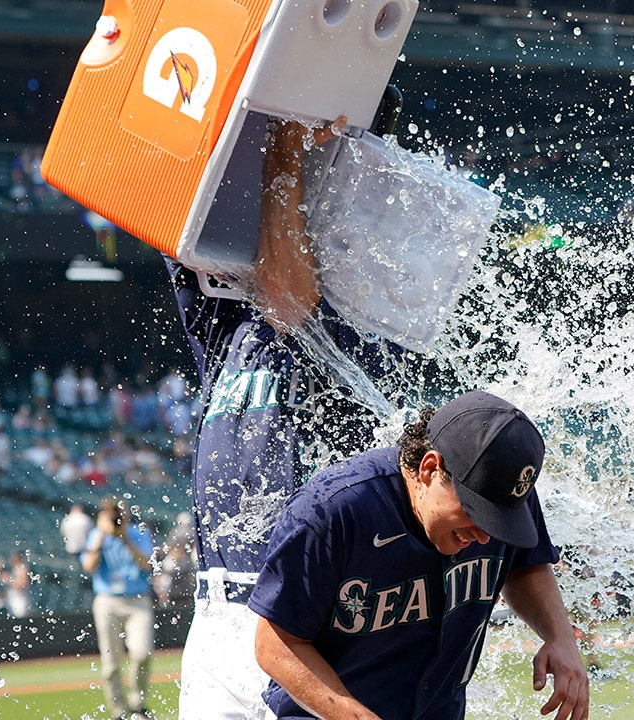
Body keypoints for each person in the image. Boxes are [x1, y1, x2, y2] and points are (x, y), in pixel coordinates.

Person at [169, 117, 407, 719]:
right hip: (214, 615)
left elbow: (288, 293)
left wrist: (284, 150)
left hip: (296, 624)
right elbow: (179, 230)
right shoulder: (231, 335)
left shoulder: (354, 330)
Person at [250, 391, 589, 720]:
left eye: (501, 523)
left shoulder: (505, 500)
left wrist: (559, 637)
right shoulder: (334, 510)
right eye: (477, 512)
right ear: (429, 469)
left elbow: (524, 566)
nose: (487, 535)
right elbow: (276, 645)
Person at [81, 496, 156, 720]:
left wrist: (125, 539)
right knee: (111, 663)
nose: (116, 519)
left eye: (118, 514)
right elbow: (88, 566)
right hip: (107, 599)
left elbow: (147, 564)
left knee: (142, 653)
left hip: (137, 599)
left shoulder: (137, 532)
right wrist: (101, 537)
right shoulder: (97, 536)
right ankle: (118, 712)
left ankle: (138, 703)